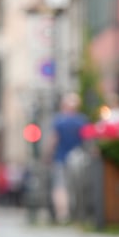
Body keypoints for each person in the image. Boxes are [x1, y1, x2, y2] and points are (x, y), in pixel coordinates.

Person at [45, 92, 88, 224]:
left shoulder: (59, 120)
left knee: (60, 187)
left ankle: (63, 215)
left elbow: (53, 140)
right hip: (79, 159)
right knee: (77, 187)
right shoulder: (82, 120)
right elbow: (88, 140)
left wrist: (47, 155)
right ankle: (78, 214)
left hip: (61, 158)